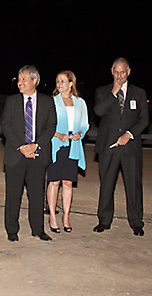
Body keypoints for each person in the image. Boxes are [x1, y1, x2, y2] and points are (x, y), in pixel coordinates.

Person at [93, 57, 148, 236]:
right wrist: (113, 93)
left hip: (130, 147)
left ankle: (136, 222)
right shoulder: (103, 91)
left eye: (122, 72)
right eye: (116, 72)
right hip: (108, 146)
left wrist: (129, 134)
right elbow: (99, 111)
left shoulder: (139, 93)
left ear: (129, 72)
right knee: (107, 184)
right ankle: (104, 220)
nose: (119, 75)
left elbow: (144, 120)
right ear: (111, 71)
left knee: (133, 185)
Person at [1, 65, 56, 242]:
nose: (20, 82)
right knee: (13, 195)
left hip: (37, 156)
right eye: (19, 79)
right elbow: (6, 126)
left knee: (37, 194)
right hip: (16, 155)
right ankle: (12, 230)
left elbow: (51, 127)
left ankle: (38, 229)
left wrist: (36, 145)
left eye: (24, 79)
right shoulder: (12, 101)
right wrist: (22, 147)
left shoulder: (47, 101)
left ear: (34, 80)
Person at [46, 71, 89, 234]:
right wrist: (58, 135)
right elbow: (46, 124)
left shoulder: (80, 103)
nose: (59, 84)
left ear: (71, 83)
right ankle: (52, 216)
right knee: (54, 181)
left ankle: (66, 217)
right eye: (57, 81)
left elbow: (85, 124)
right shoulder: (52, 102)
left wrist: (80, 133)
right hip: (57, 144)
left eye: (63, 81)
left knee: (68, 182)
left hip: (73, 145)